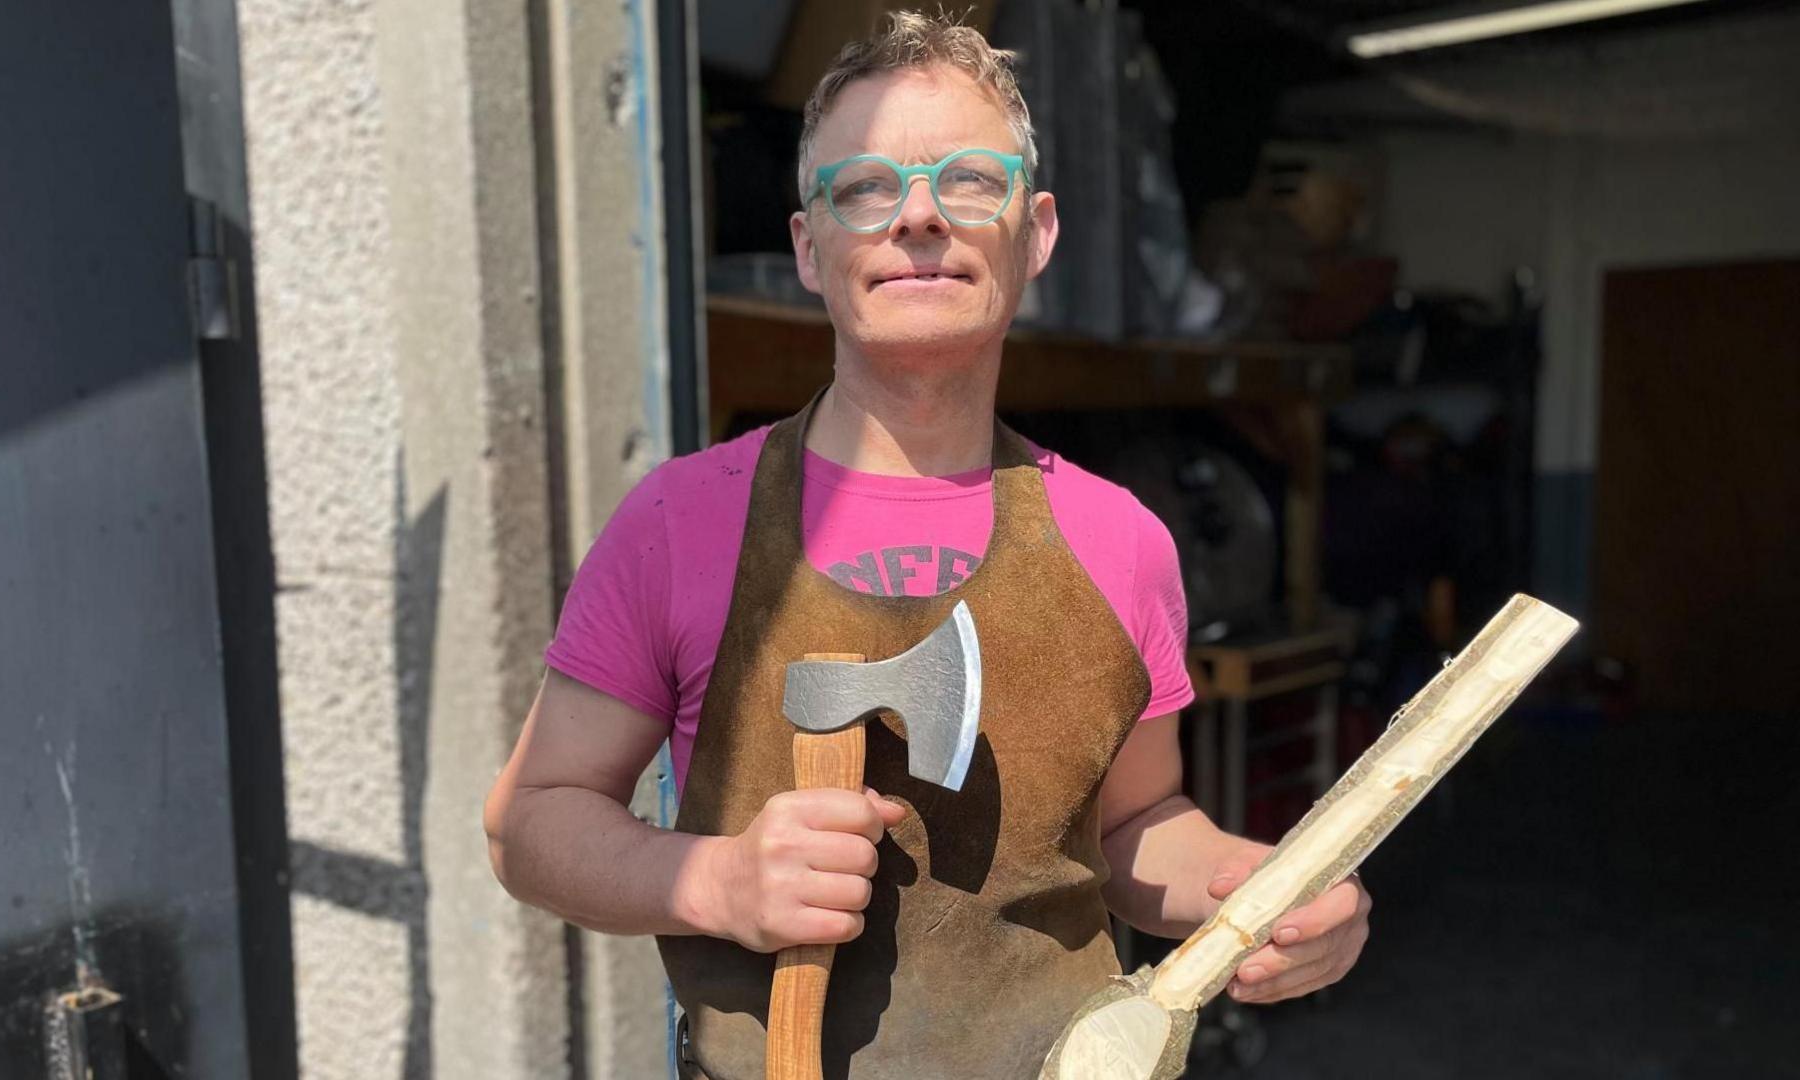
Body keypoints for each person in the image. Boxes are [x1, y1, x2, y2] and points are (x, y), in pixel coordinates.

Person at [483, 13, 1370, 1077]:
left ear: (1035, 233)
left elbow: (1138, 824)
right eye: (865, 185)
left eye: (969, 181)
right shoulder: (683, 521)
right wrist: (716, 882)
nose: (917, 217)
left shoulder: (1120, 540)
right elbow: (531, 821)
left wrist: (1265, 888)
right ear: (811, 248)